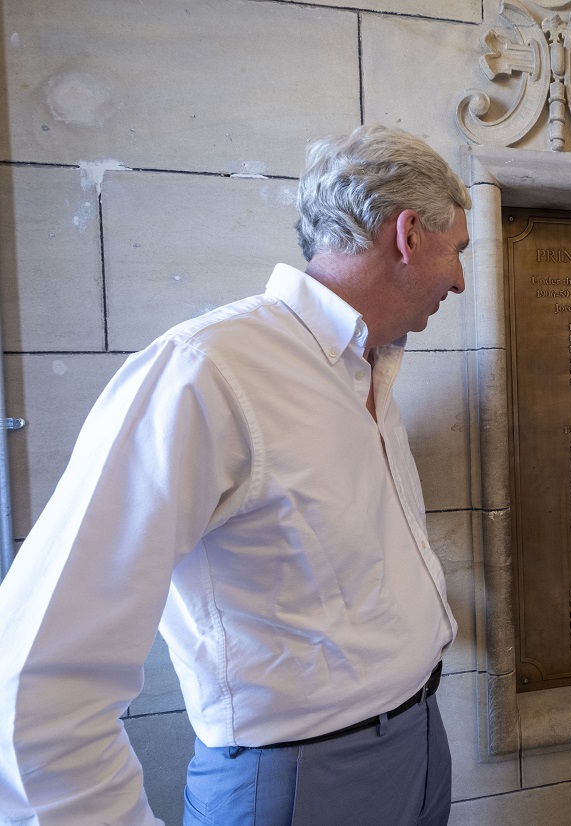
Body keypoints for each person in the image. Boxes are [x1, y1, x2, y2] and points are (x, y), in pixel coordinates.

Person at [0, 123, 471, 825]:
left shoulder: (368, 367)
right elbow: (37, 679)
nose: (461, 281)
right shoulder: (206, 371)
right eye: (457, 252)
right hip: (301, 784)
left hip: (417, 744)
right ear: (407, 235)